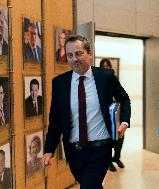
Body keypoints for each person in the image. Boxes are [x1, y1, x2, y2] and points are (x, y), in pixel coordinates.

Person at [41, 34, 131, 189]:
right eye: (70, 55)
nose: (74, 59)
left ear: (89, 53)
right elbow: (55, 120)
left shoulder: (105, 77)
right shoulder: (59, 83)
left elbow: (124, 99)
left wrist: (124, 121)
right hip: (74, 152)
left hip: (100, 148)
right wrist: (49, 149)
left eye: (78, 53)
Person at [99, 58, 125, 172]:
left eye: (107, 66)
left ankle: (117, 157)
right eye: (103, 66)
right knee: (108, 140)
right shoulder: (98, 81)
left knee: (120, 137)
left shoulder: (115, 80)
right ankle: (108, 161)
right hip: (105, 116)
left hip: (117, 113)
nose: (106, 68)